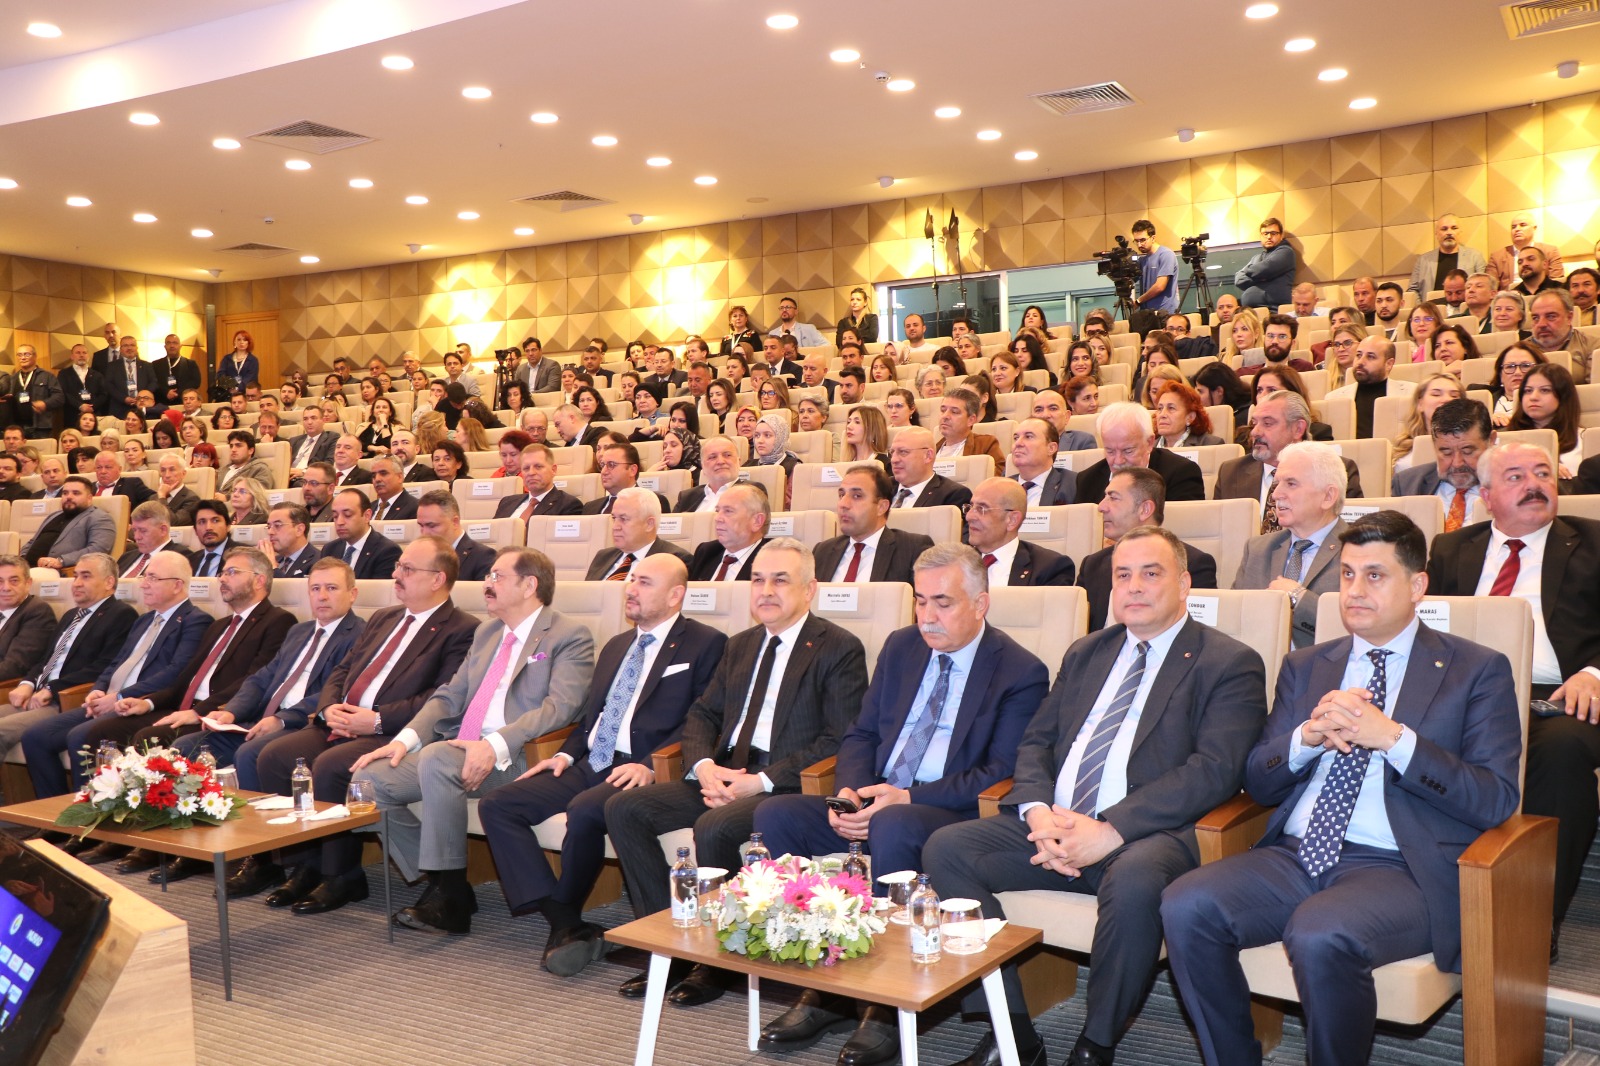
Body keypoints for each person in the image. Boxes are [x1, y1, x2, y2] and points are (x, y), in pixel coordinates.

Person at [1169, 510, 1522, 1064]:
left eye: (1375, 575)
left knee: (1319, 933)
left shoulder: (1475, 670)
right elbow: (1258, 781)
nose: (1354, 590)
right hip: (1296, 854)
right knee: (1185, 903)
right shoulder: (1307, 665)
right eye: (1348, 574)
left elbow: (1496, 798)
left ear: (1417, 585)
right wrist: (1306, 739)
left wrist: (1395, 740)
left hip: (1400, 866)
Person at [925, 525, 1268, 1066]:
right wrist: (1038, 813)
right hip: (1057, 823)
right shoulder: (1088, 651)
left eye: (1150, 573)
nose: (1134, 586)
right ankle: (1012, 1033)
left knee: (1134, 879)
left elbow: (1215, 771)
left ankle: (1095, 1044)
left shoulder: (1228, 662)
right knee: (947, 848)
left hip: (1149, 835)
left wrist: (1109, 829)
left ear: (1184, 584)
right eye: (1123, 575)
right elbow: (1037, 741)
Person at [752, 545, 1050, 1063]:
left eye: (943, 603)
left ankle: (883, 1006)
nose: (927, 616)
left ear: (980, 604)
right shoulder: (901, 646)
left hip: (946, 810)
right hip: (880, 797)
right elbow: (862, 733)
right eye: (920, 601)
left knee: (892, 824)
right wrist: (850, 791)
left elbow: (999, 772)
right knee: (775, 815)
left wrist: (906, 797)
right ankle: (823, 984)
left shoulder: (1019, 670)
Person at [604, 538, 870, 1003]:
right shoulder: (741, 645)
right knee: (625, 809)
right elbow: (702, 714)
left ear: (809, 589)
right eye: (758, 580)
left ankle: (716, 961)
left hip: (781, 784)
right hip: (723, 773)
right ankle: (668, 946)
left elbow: (837, 739)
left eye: (780, 580)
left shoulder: (839, 648)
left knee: (716, 826)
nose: (765, 590)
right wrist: (704, 765)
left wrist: (758, 782)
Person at [352, 546, 595, 934]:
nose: (486, 583)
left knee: (437, 759)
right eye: (487, 575)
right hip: (459, 748)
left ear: (529, 585)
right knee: (368, 781)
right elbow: (450, 695)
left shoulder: (568, 635)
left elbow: (561, 708)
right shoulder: (487, 632)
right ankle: (449, 885)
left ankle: (448, 901)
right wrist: (406, 739)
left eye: (497, 576)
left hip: (518, 755)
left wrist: (494, 744)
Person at [1424, 443, 1600, 960]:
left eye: (1543, 473)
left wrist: (1594, 673)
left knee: (1561, 750)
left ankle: (1534, 917)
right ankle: (1428, 902)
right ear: (1486, 495)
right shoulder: (1452, 548)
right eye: (1516, 476)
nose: (1534, 484)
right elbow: (1426, 627)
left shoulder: (1593, 541)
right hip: (1469, 692)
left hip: (1560, 695)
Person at [250, 536, 479, 915]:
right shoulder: (385, 617)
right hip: (343, 720)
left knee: (331, 766)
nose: (396, 574)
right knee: (274, 757)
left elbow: (441, 697)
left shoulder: (462, 629)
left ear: (438, 579)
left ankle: (342, 875)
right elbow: (342, 670)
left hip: (393, 732)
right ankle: (307, 865)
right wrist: (329, 709)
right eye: (398, 566)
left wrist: (376, 719)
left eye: (408, 569)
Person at [19, 550, 211, 815]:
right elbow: (116, 662)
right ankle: (54, 816)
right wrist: (98, 689)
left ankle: (90, 818)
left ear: (177, 585)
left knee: (81, 736)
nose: (143, 584)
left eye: (152, 578)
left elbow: (175, 672)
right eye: (145, 577)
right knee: (36, 737)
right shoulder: (144, 619)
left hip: (144, 703)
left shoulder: (195, 621)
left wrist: (119, 697)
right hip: (110, 699)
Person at [0, 554, 135, 791]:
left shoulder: (121, 615)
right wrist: (27, 684)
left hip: (66, 700)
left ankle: (46, 807)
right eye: (76, 576)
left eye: (86, 576)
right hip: (38, 695)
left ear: (109, 582)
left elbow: (103, 667)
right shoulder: (72, 615)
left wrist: (52, 689)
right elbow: (45, 659)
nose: (77, 583)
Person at [1231, 442, 1349, 649]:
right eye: (1277, 483)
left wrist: (1299, 598)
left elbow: (1356, 629)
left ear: (1328, 496)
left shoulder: (1358, 553)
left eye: (1291, 484)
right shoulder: (1257, 549)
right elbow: (1233, 621)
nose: (1276, 495)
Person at [1078, 468, 1219, 631]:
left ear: (1145, 509)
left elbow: (1198, 633)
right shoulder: (1092, 565)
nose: (1101, 507)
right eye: (1123, 575)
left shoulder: (1194, 564)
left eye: (1113, 498)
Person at [1215, 390, 1363, 524]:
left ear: (1298, 429)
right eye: (1254, 423)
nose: (1255, 432)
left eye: (1267, 423)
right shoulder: (1231, 472)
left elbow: (1349, 532)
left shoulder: (1335, 470)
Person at [812, 465, 933, 585]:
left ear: (881, 507)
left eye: (857, 496)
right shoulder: (823, 551)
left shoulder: (912, 549)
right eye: (841, 495)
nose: (843, 504)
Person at [1392, 399, 1495, 533]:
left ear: (1491, 441)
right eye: (1446, 452)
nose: (1457, 463)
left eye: (1467, 451)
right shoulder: (1406, 484)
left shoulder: (1511, 487)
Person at [1074, 402, 1204, 506]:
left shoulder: (1180, 473)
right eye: (1110, 451)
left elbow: (1182, 527)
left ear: (1149, 443)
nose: (1118, 461)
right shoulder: (1087, 480)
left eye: (1128, 451)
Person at [965, 477, 1075, 587]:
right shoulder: (958, 560)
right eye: (971, 506)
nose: (969, 517)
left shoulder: (1050, 568)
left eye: (982, 509)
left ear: (1012, 520)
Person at [584, 488, 693, 580]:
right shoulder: (603, 556)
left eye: (623, 519)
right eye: (614, 518)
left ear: (649, 524)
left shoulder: (675, 560)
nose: (615, 527)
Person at [1326, 336, 1417, 438]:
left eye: (1370, 357)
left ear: (1389, 364)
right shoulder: (1333, 398)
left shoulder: (1411, 393)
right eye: (1358, 355)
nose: (1360, 362)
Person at [1507, 362, 1583, 477]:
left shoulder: (1584, 439)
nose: (1533, 397)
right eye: (1528, 391)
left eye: (1545, 390)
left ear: (1563, 396)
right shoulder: (1505, 438)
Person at [24, 476, 116, 570]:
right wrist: (21, 558)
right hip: (26, 568)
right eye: (65, 493)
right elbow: (32, 542)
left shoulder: (100, 518)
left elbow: (98, 550)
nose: (69, 497)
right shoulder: (54, 515)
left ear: (89, 498)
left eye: (76, 493)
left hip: (58, 570)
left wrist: (61, 561)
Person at [320, 488, 402, 579]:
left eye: (347, 515)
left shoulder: (387, 551)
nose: (339, 522)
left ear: (367, 516)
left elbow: (378, 588)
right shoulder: (329, 549)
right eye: (335, 516)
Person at [1391, 371, 1465, 471]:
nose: (1447, 399)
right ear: (1420, 404)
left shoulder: (1473, 445)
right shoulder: (1402, 448)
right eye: (1436, 394)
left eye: (1454, 396)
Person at [493, 443, 582, 522]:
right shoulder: (506, 502)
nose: (531, 473)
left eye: (538, 467)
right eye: (526, 468)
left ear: (553, 470)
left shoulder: (568, 505)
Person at [888, 427, 972, 510]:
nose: (893, 460)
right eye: (892, 452)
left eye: (903, 452)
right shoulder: (883, 487)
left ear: (928, 456)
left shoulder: (953, 495)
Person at [1408, 213, 1488, 298]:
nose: (1449, 232)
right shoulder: (1423, 260)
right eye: (1444, 229)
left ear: (1460, 232)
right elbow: (1412, 291)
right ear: (1436, 233)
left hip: (1464, 305)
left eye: (1454, 228)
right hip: (1431, 305)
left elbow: (1484, 286)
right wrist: (1423, 306)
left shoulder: (1475, 257)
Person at [1467, 339, 1545, 428]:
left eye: (1526, 366)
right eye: (1510, 367)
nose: (1517, 372)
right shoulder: (1479, 398)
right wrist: (1487, 421)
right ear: (1500, 375)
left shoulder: (1549, 399)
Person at [1528, 288, 1596, 384]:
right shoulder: (1520, 351)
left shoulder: (1593, 346)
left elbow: (1595, 389)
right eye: (1535, 318)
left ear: (1569, 317)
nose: (1541, 324)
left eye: (1551, 316)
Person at [583, 442, 670, 515]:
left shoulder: (653, 502)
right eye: (602, 465)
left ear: (632, 470)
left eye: (611, 465)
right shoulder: (589, 508)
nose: (603, 471)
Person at [117, 501, 196, 577]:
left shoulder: (180, 557)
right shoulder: (126, 557)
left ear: (163, 530)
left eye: (143, 531)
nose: (136, 537)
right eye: (134, 530)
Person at [1488, 211, 1565, 289]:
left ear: (1534, 228)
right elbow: (1490, 287)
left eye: (1522, 225)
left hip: (1543, 294)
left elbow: (1557, 284)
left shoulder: (1550, 251)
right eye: (1513, 227)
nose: (1517, 229)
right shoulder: (1497, 257)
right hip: (1509, 295)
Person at [1009, 417, 1075, 506]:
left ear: (1051, 448)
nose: (1018, 443)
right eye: (1016, 438)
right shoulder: (1001, 487)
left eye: (1028, 437)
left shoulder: (1073, 484)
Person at [1234, 217, 1296, 309]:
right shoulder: (1256, 258)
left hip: (1274, 310)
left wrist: (1252, 272)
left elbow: (1265, 270)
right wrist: (1260, 277)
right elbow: (1238, 279)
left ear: (1281, 235)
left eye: (1273, 233)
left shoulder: (1286, 252)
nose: (1269, 237)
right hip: (1252, 311)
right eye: (1265, 233)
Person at [5, 344, 64, 439]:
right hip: (17, 428)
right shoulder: (12, 378)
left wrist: (45, 403)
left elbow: (59, 397)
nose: (23, 358)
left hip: (40, 428)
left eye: (27, 354)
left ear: (35, 356)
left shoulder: (47, 376)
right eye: (19, 355)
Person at [1130, 219, 1180, 315]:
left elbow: (1159, 287)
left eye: (1143, 240)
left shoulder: (1166, 254)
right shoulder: (1142, 260)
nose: (1139, 244)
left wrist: (1138, 301)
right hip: (1147, 314)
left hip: (1165, 313)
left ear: (1153, 238)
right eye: (1136, 241)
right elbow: (1130, 280)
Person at [1152, 381, 1223, 448]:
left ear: (1190, 417)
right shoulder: (1148, 446)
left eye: (1171, 408)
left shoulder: (1211, 445)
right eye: (1160, 408)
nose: (1162, 415)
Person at [263, 502, 321, 577]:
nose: (270, 532)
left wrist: (273, 568)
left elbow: (290, 585)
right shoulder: (275, 560)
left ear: (299, 530)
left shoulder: (318, 562)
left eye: (277, 525)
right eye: (269, 527)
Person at [58, 342, 106, 419]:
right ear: (72, 356)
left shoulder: (97, 375)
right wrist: (80, 406)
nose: (81, 355)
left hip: (94, 415)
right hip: (73, 414)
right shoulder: (64, 374)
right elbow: (63, 393)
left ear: (88, 356)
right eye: (78, 353)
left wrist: (92, 407)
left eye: (84, 353)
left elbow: (103, 394)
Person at [367, 457, 419, 522]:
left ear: (400, 477)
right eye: (373, 476)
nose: (377, 479)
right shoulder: (368, 508)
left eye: (383, 473)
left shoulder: (415, 507)